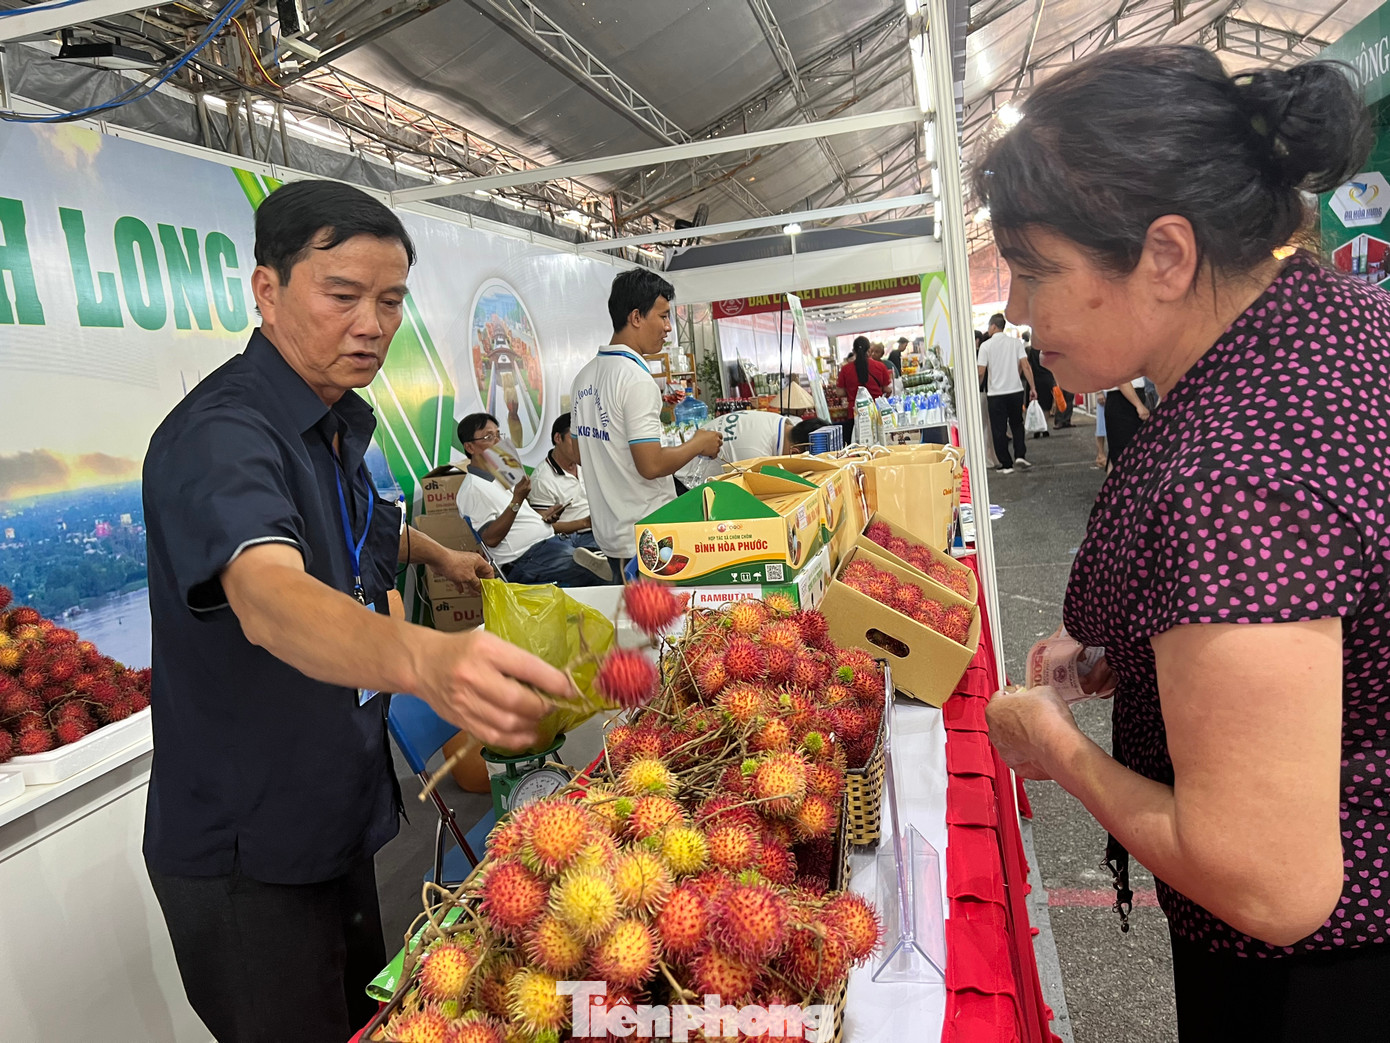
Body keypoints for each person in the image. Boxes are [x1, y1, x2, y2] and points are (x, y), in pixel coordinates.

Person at [976, 45, 1383, 1041]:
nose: (1021, 313)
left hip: (1322, 979)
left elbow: (1267, 878)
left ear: (1165, 254)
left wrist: (1059, 752)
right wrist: (1149, 656)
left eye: (1035, 271)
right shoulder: (1339, 325)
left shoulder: (1236, 472)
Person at [140, 180, 574, 1043]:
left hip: (332, 818)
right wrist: (428, 658)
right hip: (249, 851)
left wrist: (441, 553)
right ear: (267, 290)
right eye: (342, 297)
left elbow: (365, 527)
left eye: (390, 301)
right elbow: (270, 595)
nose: (372, 324)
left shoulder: (335, 423)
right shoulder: (222, 432)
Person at [571, 269, 722, 576]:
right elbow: (651, 465)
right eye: (663, 316)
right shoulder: (635, 379)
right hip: (648, 539)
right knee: (659, 623)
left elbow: (577, 454)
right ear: (637, 317)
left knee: (634, 620)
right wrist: (698, 443)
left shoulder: (583, 377)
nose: (668, 328)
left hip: (612, 536)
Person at [456, 413, 610, 585]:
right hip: (525, 560)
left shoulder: (501, 473)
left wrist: (544, 516)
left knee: (614, 553)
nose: (498, 442)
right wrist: (517, 500)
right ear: (470, 447)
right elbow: (490, 539)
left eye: (499, 435)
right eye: (489, 437)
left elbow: (519, 518)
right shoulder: (472, 489)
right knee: (601, 575)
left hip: (551, 543)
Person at [977, 312, 1037, 473]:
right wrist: (1032, 387)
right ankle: (1020, 455)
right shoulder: (1015, 343)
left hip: (996, 394)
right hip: (1015, 391)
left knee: (999, 429)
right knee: (1017, 424)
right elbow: (1025, 365)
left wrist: (977, 387)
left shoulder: (985, 346)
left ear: (993, 326)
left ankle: (1006, 464)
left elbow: (981, 372)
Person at [675, 408, 798, 486]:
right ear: (796, 451)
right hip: (686, 483)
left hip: (688, 473)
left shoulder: (777, 421)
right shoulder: (757, 454)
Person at [528, 412, 594, 536]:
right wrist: (586, 523)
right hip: (573, 537)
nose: (580, 444)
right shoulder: (542, 479)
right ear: (558, 438)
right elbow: (542, 527)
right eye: (574, 438)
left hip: (601, 530)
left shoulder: (589, 463)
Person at [836, 335, 893, 443]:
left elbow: (839, 392)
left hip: (855, 414)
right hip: (876, 413)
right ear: (869, 350)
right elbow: (887, 389)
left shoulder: (845, 369)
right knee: (879, 444)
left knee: (856, 447)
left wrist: (850, 390)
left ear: (853, 350)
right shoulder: (880, 366)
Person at [1101, 377, 1151, 471]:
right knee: (1125, 455)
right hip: (1124, 400)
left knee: (1120, 455)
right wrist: (1138, 405)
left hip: (1127, 398)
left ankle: (1116, 484)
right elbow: (1121, 380)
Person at [1023, 331, 1056, 439]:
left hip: (1035, 378)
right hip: (1047, 378)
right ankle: (1044, 427)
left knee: (1037, 403)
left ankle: (1037, 428)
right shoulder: (1047, 349)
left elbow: (1029, 365)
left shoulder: (1032, 350)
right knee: (1046, 405)